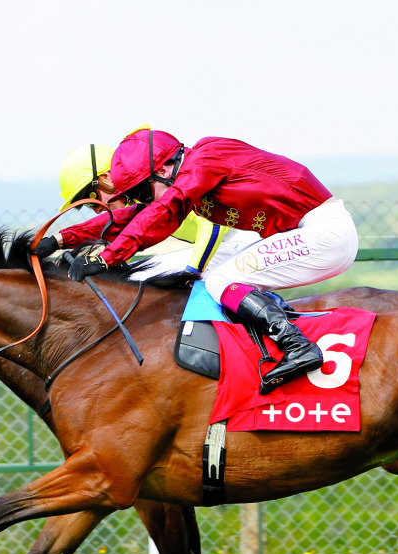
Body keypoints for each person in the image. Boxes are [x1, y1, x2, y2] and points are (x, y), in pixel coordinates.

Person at [66, 127, 359, 394]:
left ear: (165, 169)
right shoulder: (192, 170)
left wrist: (107, 259)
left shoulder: (206, 159)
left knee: (221, 280)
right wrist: (62, 239)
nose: (144, 200)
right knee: (211, 273)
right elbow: (135, 216)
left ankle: (297, 346)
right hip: (306, 231)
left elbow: (163, 212)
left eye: (144, 191)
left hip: (324, 233)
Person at [39, 142, 259, 281]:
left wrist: (193, 271)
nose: (96, 210)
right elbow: (116, 221)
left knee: (145, 274)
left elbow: (210, 224)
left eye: (92, 200)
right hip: (231, 246)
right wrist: (57, 240)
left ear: (105, 179)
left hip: (242, 241)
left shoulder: (158, 186)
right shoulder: (143, 196)